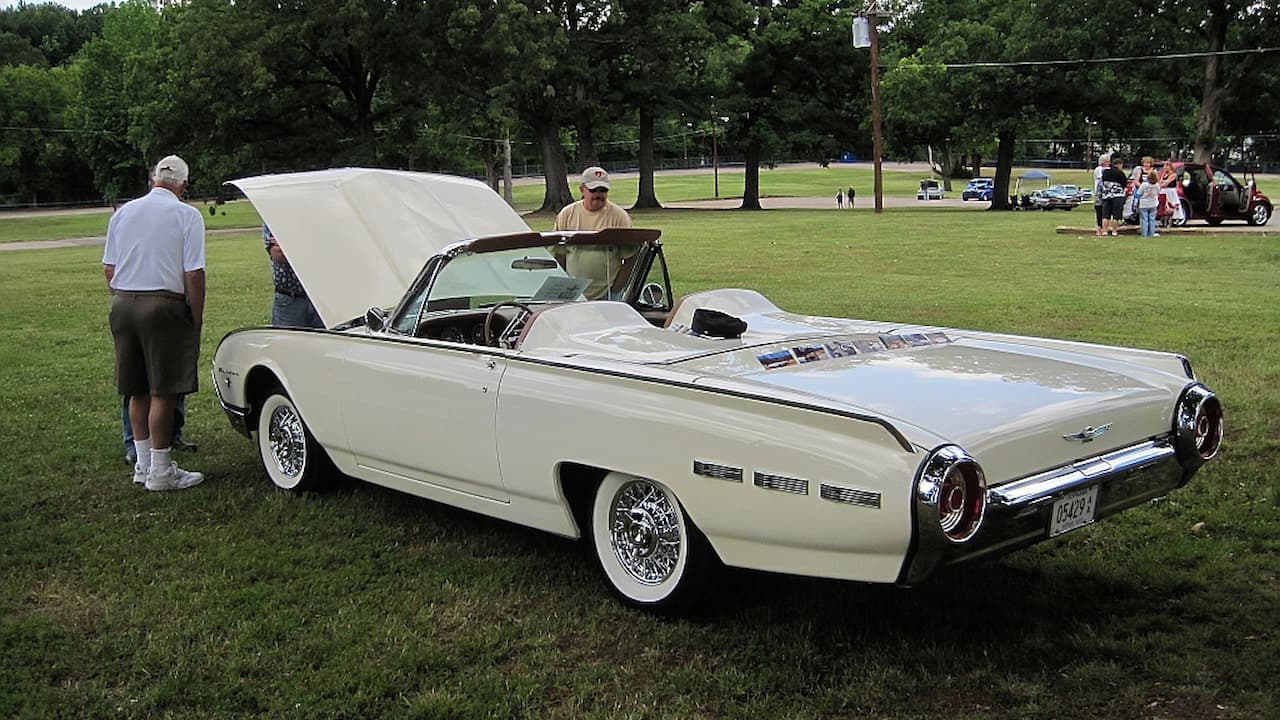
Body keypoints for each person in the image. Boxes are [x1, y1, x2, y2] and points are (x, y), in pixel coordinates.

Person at [102, 155, 206, 491]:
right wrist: (196, 316)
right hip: (162, 305)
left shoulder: (124, 213)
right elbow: (193, 272)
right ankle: (161, 470)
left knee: (137, 387)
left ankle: (143, 464)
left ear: (154, 179)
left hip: (122, 302)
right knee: (163, 388)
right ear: (183, 185)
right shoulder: (187, 215)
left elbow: (109, 268)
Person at [554, 166, 635, 299]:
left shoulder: (619, 217)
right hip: (572, 293)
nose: (598, 194)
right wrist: (565, 286)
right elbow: (559, 254)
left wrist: (616, 290)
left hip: (607, 294)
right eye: (593, 190)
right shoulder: (567, 214)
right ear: (582, 190)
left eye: (603, 190)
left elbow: (630, 258)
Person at [265, 224, 324, 328]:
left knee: (325, 343)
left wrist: (287, 243)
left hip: (322, 301)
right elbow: (277, 254)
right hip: (288, 301)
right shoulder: (274, 217)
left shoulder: (320, 217)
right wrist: (312, 245)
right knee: (287, 343)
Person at [1098, 156, 1129, 237]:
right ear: (1119, 165)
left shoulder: (1105, 172)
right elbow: (1124, 184)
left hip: (1106, 195)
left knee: (1105, 215)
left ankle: (1104, 231)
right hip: (1117, 196)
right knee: (1116, 215)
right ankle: (1114, 231)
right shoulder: (1120, 173)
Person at [1137, 170, 1161, 237]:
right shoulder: (1157, 185)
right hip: (1153, 203)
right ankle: (1151, 233)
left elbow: (1138, 193)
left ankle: (1144, 233)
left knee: (1144, 219)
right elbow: (1159, 193)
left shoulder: (1144, 185)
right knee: (1152, 219)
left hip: (1144, 204)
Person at [1093, 153, 1111, 236]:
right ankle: (1099, 228)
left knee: (1106, 211)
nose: (1109, 163)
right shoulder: (1099, 169)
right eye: (1107, 161)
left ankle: (1105, 228)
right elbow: (1101, 179)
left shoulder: (1110, 169)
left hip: (1108, 192)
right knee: (1099, 209)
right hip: (1099, 192)